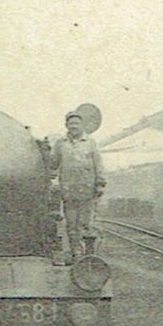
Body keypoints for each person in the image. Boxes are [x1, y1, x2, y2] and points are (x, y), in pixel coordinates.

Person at [51, 110, 106, 263]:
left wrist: (100, 184)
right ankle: (76, 253)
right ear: (66, 125)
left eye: (76, 123)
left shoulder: (90, 143)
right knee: (71, 224)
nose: (73, 126)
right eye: (70, 123)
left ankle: (87, 255)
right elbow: (53, 164)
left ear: (82, 125)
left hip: (88, 190)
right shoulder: (60, 144)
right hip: (68, 191)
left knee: (86, 224)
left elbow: (98, 165)